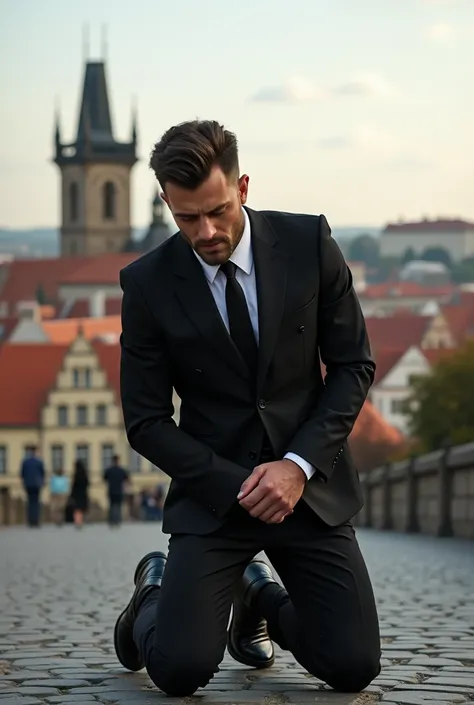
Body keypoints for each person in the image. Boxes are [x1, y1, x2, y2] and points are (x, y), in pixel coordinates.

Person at [115, 120, 381, 696]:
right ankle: (152, 596)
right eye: (186, 218)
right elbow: (145, 421)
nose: (206, 231)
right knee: (180, 671)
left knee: (353, 665)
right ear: (166, 201)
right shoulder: (147, 284)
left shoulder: (310, 244)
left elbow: (353, 366)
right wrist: (237, 485)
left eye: (217, 210)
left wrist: (297, 466)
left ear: (242, 187)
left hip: (306, 489)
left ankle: (261, 597)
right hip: (216, 497)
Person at [20, 446, 45, 527]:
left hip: (28, 483)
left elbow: (22, 474)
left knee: (30, 502)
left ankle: (30, 521)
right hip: (37, 483)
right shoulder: (39, 462)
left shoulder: (25, 462)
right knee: (36, 502)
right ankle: (36, 521)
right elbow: (42, 473)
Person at [103, 454, 129, 527]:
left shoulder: (109, 470)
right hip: (119, 490)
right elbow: (126, 479)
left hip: (111, 490)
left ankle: (111, 521)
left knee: (111, 506)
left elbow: (104, 479)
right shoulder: (121, 470)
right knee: (118, 506)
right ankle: (117, 520)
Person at [70, 459, 89, 529]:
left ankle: (77, 522)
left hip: (76, 494)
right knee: (81, 509)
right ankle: (81, 521)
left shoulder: (76, 475)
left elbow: (74, 485)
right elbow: (87, 483)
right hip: (83, 493)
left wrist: (72, 494)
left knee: (76, 509)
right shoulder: (84, 474)